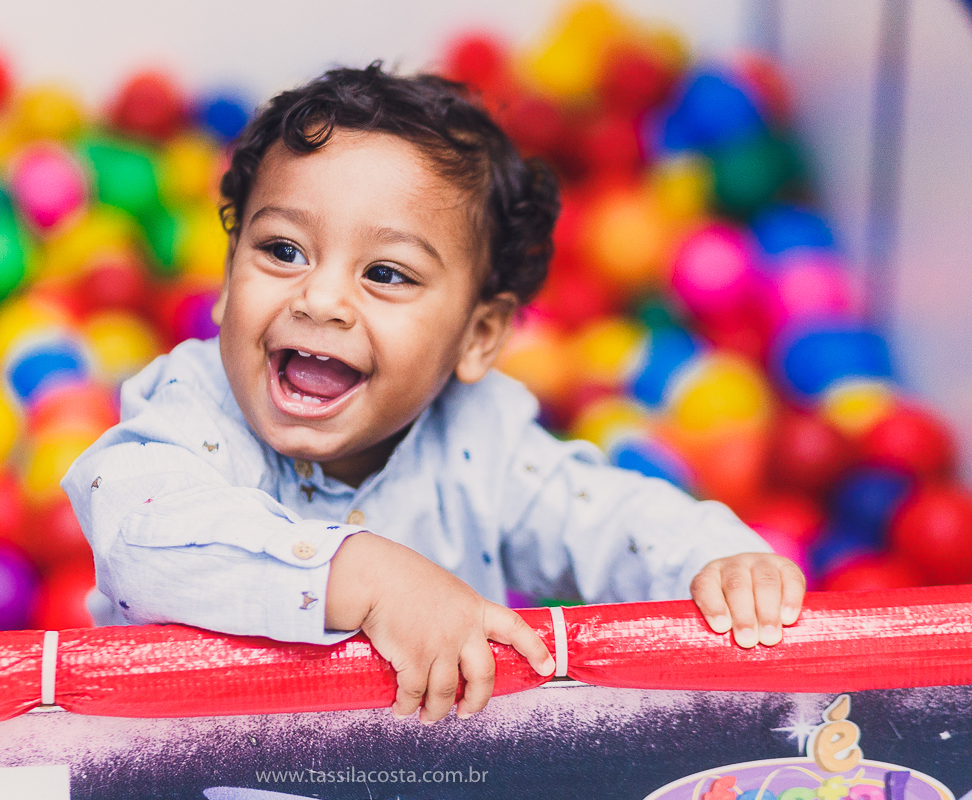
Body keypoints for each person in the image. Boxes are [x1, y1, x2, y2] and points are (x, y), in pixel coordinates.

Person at [63, 63, 806, 725]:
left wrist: (716, 561)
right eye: (282, 251)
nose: (319, 298)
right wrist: (368, 578)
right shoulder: (196, 405)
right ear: (228, 281)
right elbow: (139, 536)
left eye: (386, 273)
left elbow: (608, 517)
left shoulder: (481, 442)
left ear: (477, 337)